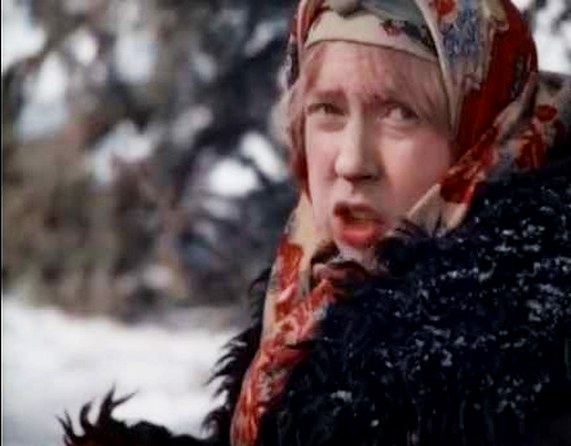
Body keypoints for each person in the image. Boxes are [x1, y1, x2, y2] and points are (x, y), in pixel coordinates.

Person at [62, 0, 571, 445]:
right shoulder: (312, 285)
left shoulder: (524, 365)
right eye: (327, 109)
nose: (351, 162)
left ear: (487, 133)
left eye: (400, 113)